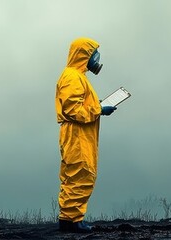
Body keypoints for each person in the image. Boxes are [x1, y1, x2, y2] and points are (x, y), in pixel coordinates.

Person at [54, 37, 116, 233]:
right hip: (77, 135)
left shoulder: (78, 76)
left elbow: (80, 103)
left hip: (80, 134)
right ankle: (72, 222)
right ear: (84, 55)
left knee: (78, 175)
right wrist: (99, 110)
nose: (97, 59)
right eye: (94, 54)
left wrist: (96, 104)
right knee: (80, 175)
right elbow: (73, 109)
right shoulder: (72, 77)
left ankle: (72, 219)